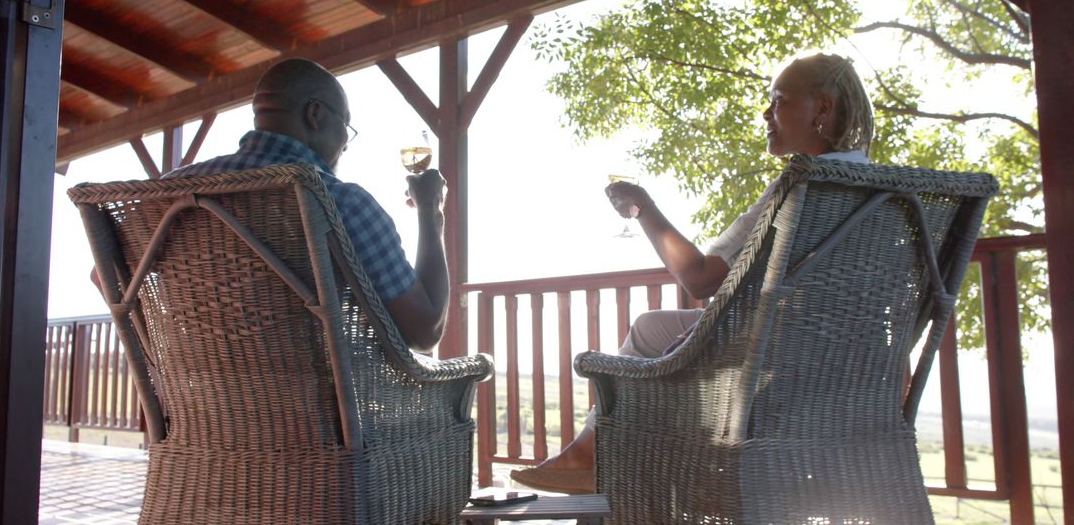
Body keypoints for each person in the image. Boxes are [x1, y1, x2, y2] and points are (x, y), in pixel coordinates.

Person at [510, 52, 875, 494]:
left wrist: (643, 207)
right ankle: (593, 453)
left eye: (779, 100)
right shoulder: (884, 192)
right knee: (654, 329)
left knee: (650, 337)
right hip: (853, 377)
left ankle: (598, 458)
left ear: (821, 108)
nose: (765, 111)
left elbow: (701, 279)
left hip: (775, 373)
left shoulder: (799, 185)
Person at [164, 58, 449, 353]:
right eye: (346, 127)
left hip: (189, 393)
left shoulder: (168, 195)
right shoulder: (343, 205)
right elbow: (424, 332)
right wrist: (430, 211)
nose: (346, 144)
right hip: (316, 396)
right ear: (315, 114)